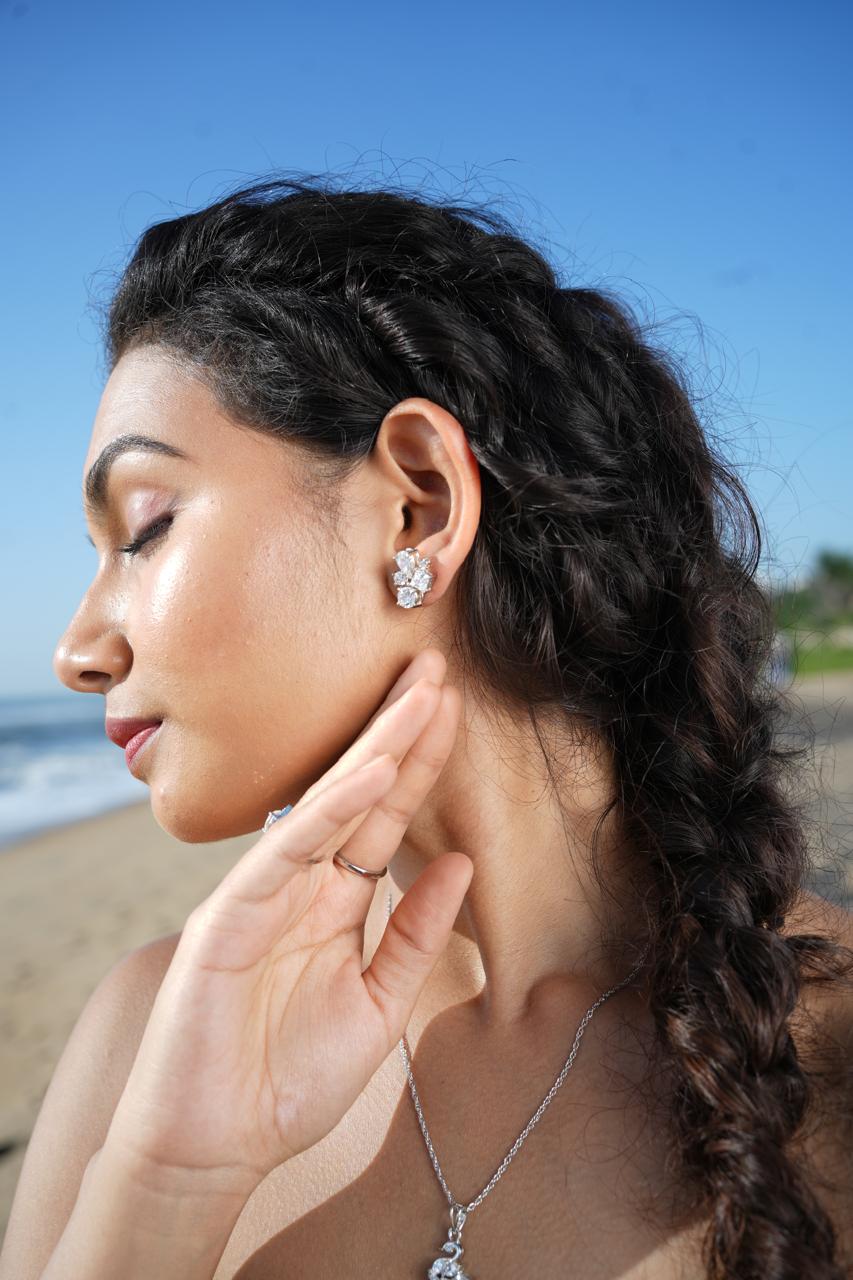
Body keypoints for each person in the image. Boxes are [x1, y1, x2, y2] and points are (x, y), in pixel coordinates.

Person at [2, 174, 852, 1280]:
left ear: (418, 504)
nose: (77, 648)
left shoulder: (827, 1049)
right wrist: (166, 1184)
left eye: (145, 527)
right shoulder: (146, 1041)